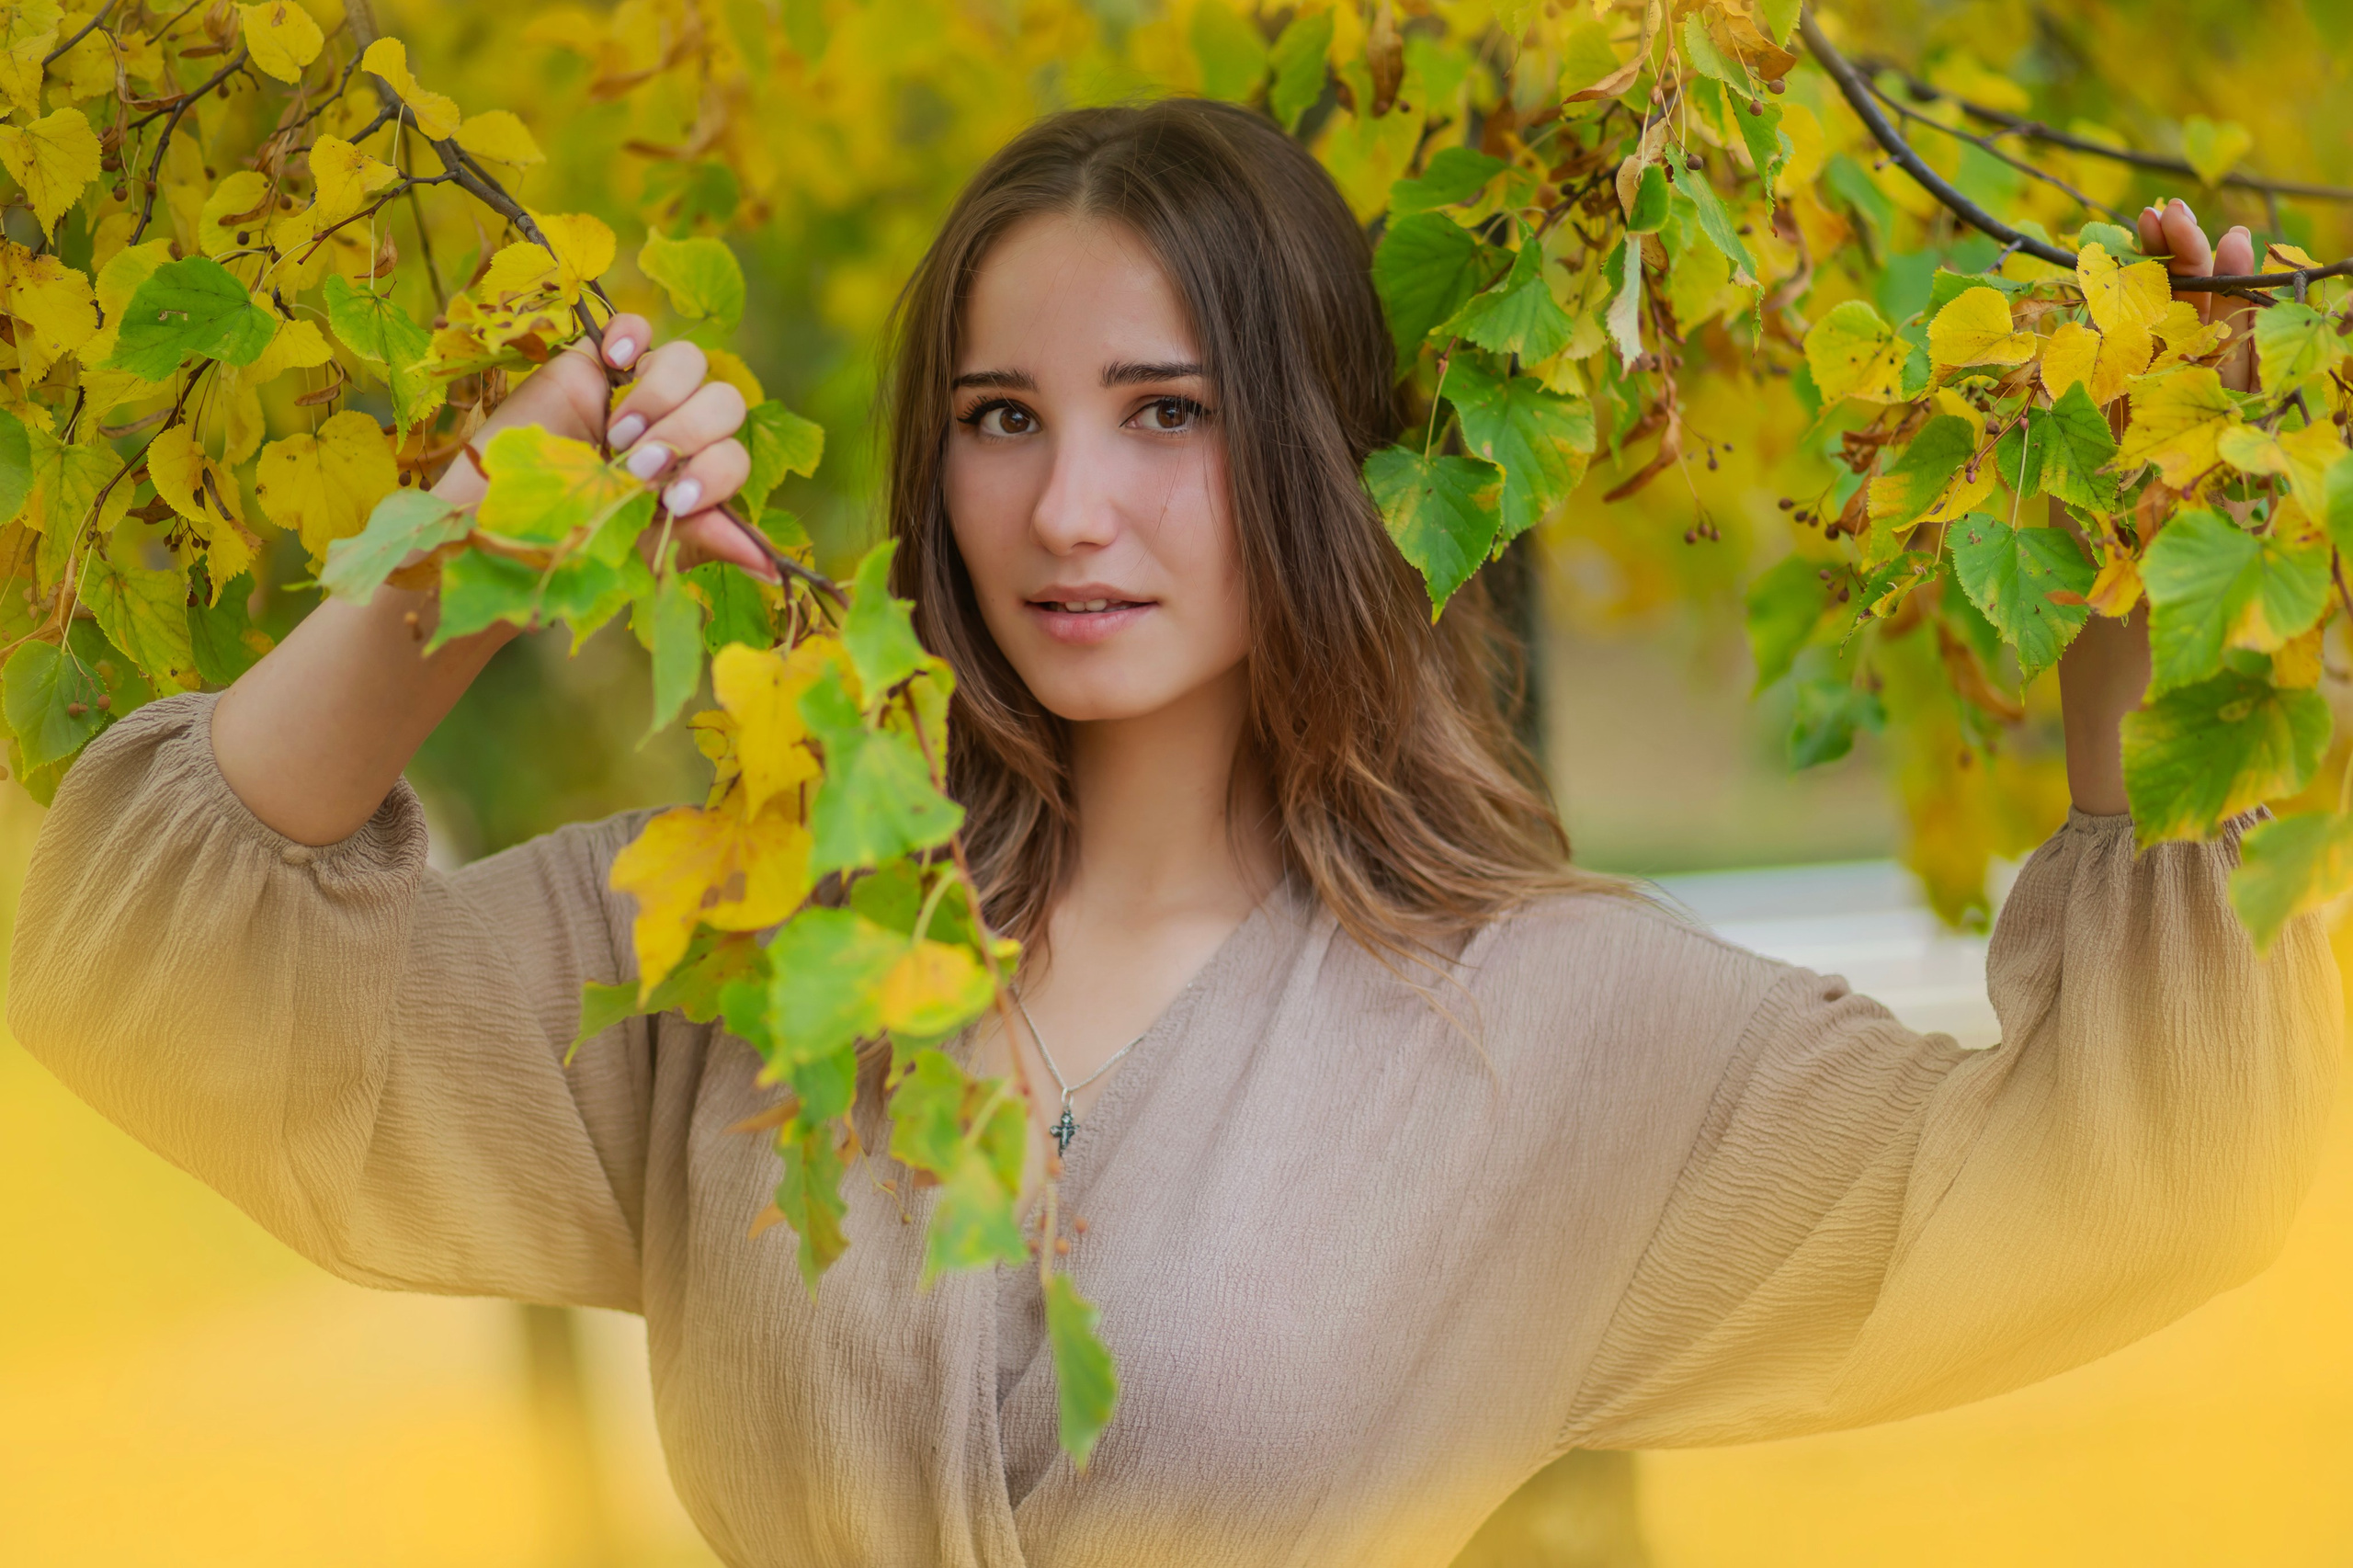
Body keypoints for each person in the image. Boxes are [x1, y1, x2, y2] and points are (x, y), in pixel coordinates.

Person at [9, 99, 2340, 1568]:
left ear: (1315, 459)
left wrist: (2142, 586)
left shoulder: (1561, 1035)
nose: (1067, 506)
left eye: (1167, 414)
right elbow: (146, 978)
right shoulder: (772, 931)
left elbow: (2156, 1165)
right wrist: (482, 537)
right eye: (1000, 416)